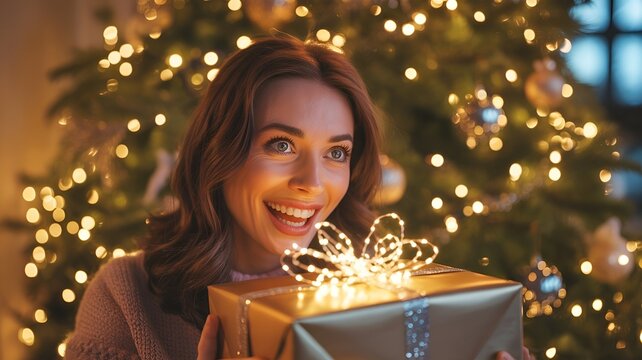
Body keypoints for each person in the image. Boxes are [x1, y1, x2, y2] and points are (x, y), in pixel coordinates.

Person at [65, 36, 530, 360]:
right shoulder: (127, 298)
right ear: (219, 149)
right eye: (281, 145)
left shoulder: (389, 293)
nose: (312, 182)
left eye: (336, 152)